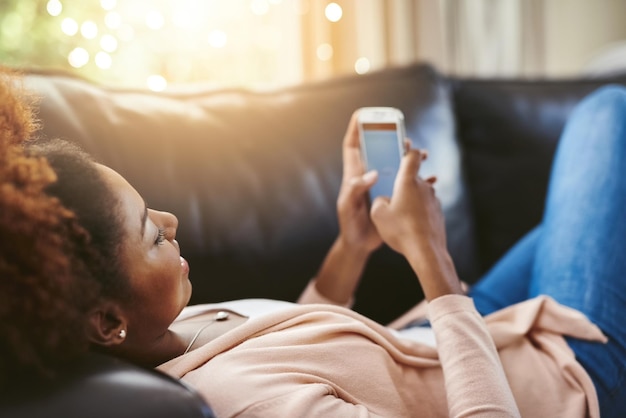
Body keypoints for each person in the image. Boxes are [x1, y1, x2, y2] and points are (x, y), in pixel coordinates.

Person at [1, 66, 624, 416]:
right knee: (606, 114)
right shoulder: (250, 408)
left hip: (463, 334)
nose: (170, 221)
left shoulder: (160, 332)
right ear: (107, 317)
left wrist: (351, 245)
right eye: (148, 232)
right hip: (566, 378)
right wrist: (432, 263)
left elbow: (298, 346)